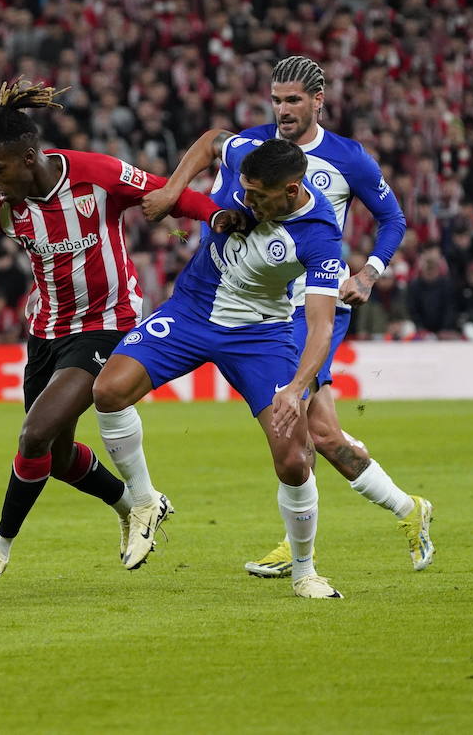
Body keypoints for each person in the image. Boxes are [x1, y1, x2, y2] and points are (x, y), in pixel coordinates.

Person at [0, 81, 238, 597]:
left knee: (33, 435)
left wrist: (217, 215)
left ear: (29, 157)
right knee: (51, 455)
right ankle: (134, 505)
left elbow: (171, 193)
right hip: (47, 329)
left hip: (107, 321)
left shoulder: (96, 174)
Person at [144, 56, 434, 577]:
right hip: (252, 304)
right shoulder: (256, 149)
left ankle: (316, 545)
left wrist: (368, 273)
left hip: (312, 304)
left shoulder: (350, 159)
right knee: (317, 436)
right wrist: (175, 193)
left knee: (309, 431)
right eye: (276, 99)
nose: (282, 110)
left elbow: (392, 218)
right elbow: (213, 146)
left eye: (294, 100)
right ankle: (401, 511)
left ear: (318, 101)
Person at [93, 138, 346, 598]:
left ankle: (305, 570)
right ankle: (146, 501)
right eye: (243, 191)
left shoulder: (319, 235)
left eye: (257, 197)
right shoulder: (244, 155)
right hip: (192, 310)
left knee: (292, 459)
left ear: (291, 191)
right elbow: (212, 140)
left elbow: (321, 327)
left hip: (259, 334)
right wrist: (173, 190)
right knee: (108, 391)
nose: (245, 202)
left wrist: (294, 389)